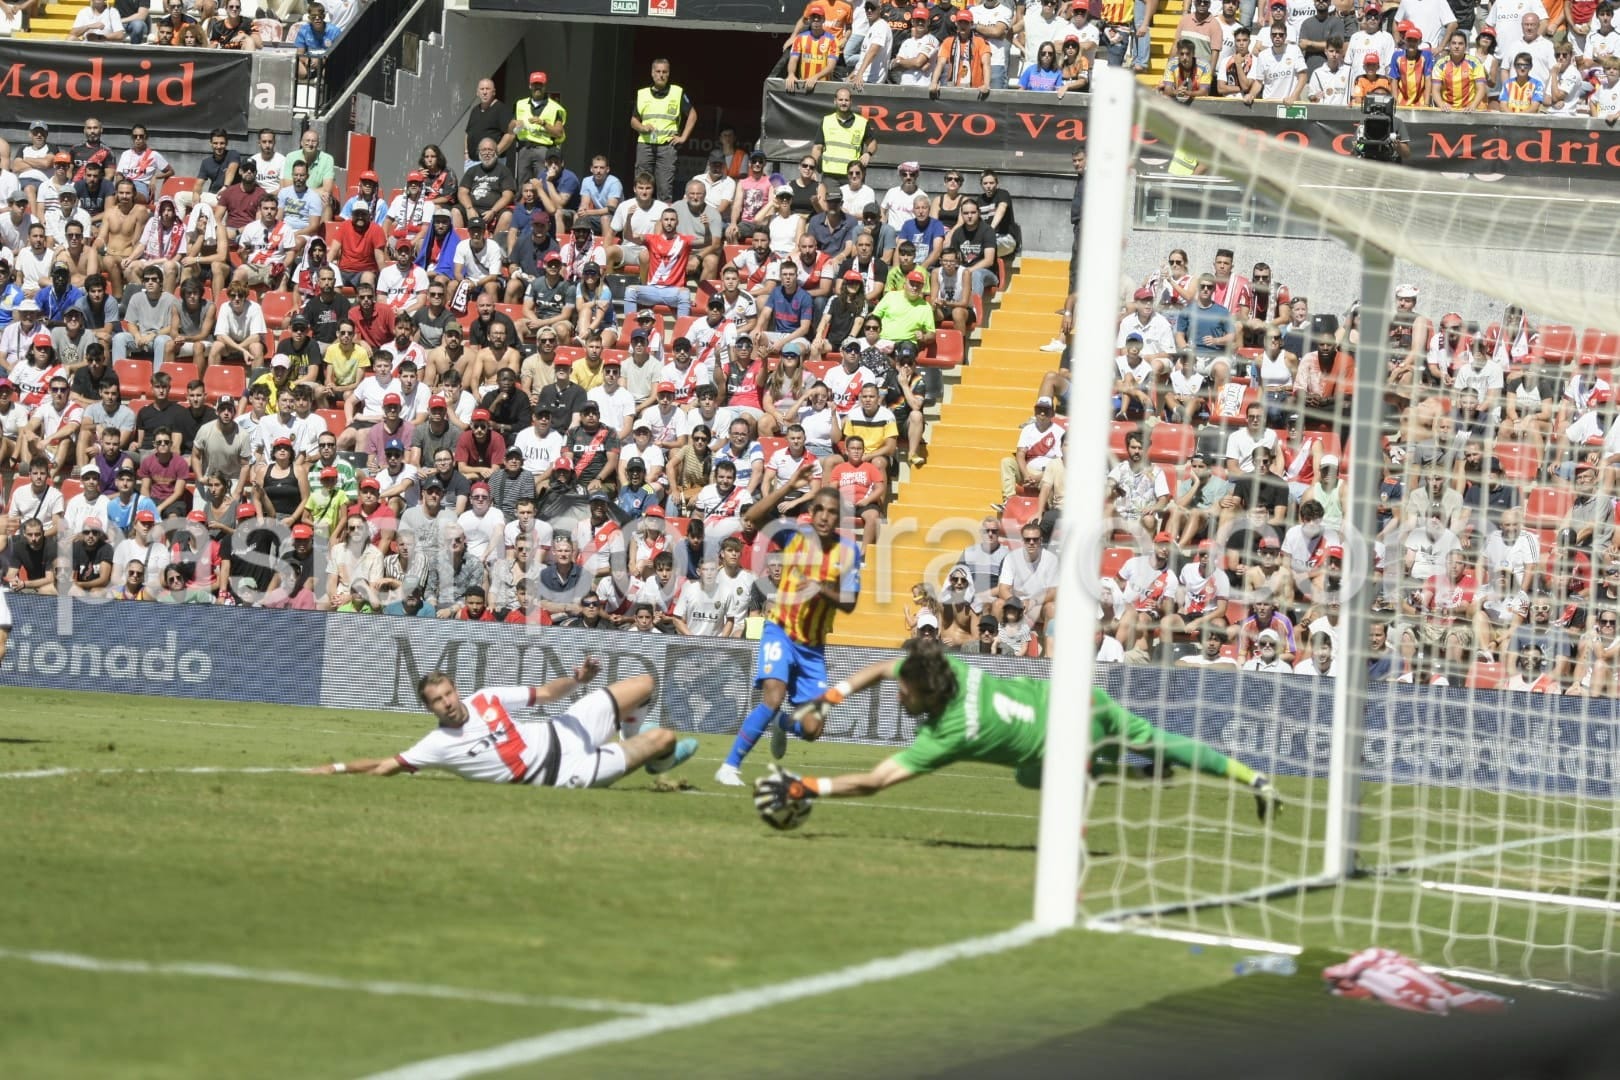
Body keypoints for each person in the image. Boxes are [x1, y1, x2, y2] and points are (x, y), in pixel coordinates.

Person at [756, 639, 1283, 819]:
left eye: (906, 692)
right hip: (1081, 702)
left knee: (1043, 776)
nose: (899, 694)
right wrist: (828, 699)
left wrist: (805, 786)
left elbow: (874, 781)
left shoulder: (950, 736)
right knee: (1156, 741)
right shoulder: (950, 671)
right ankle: (1250, 777)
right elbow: (882, 669)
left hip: (1067, 747)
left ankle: (1128, 774)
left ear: (927, 694)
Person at [309, 657, 698, 786]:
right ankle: (654, 754)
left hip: (565, 726)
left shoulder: (484, 698)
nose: (447, 703)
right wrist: (335, 768)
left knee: (645, 683)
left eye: (448, 694)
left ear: (456, 690)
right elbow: (385, 765)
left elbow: (546, 693)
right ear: (430, 710)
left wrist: (577, 679)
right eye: (437, 702)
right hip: (565, 772)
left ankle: (645, 752)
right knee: (666, 737)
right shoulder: (436, 744)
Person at [716, 479, 860, 785]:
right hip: (779, 628)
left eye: (831, 512)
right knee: (773, 694)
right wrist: (790, 485)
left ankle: (780, 722)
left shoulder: (848, 551)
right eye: (818, 509)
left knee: (812, 729)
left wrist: (821, 589)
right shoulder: (795, 536)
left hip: (812, 647)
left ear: (839, 518)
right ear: (810, 510)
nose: (823, 516)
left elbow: (849, 603)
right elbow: (753, 517)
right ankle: (730, 766)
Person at [631, 59, 697, 203]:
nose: (661, 75)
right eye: (658, 71)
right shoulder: (642, 94)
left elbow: (692, 114)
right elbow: (633, 120)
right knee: (642, 184)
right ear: (652, 73)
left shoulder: (677, 92)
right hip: (645, 144)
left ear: (668, 74)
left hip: (667, 146)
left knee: (665, 188)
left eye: (664, 72)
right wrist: (642, 127)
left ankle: (664, 221)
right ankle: (641, 217)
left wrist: (683, 137)